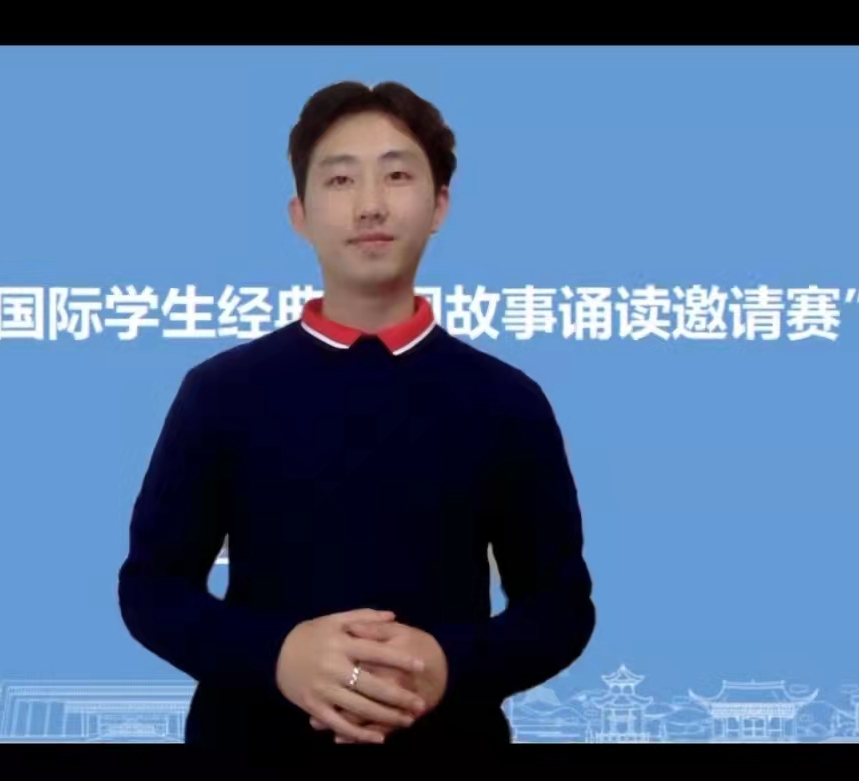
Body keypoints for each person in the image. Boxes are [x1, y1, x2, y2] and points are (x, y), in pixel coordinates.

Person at [117, 80, 595, 748]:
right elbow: (152, 589)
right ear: (300, 214)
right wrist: (280, 655)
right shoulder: (220, 391)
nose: (370, 204)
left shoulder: (507, 400)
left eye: (397, 175)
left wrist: (448, 664)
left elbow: (560, 608)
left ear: (439, 205)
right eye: (340, 180)